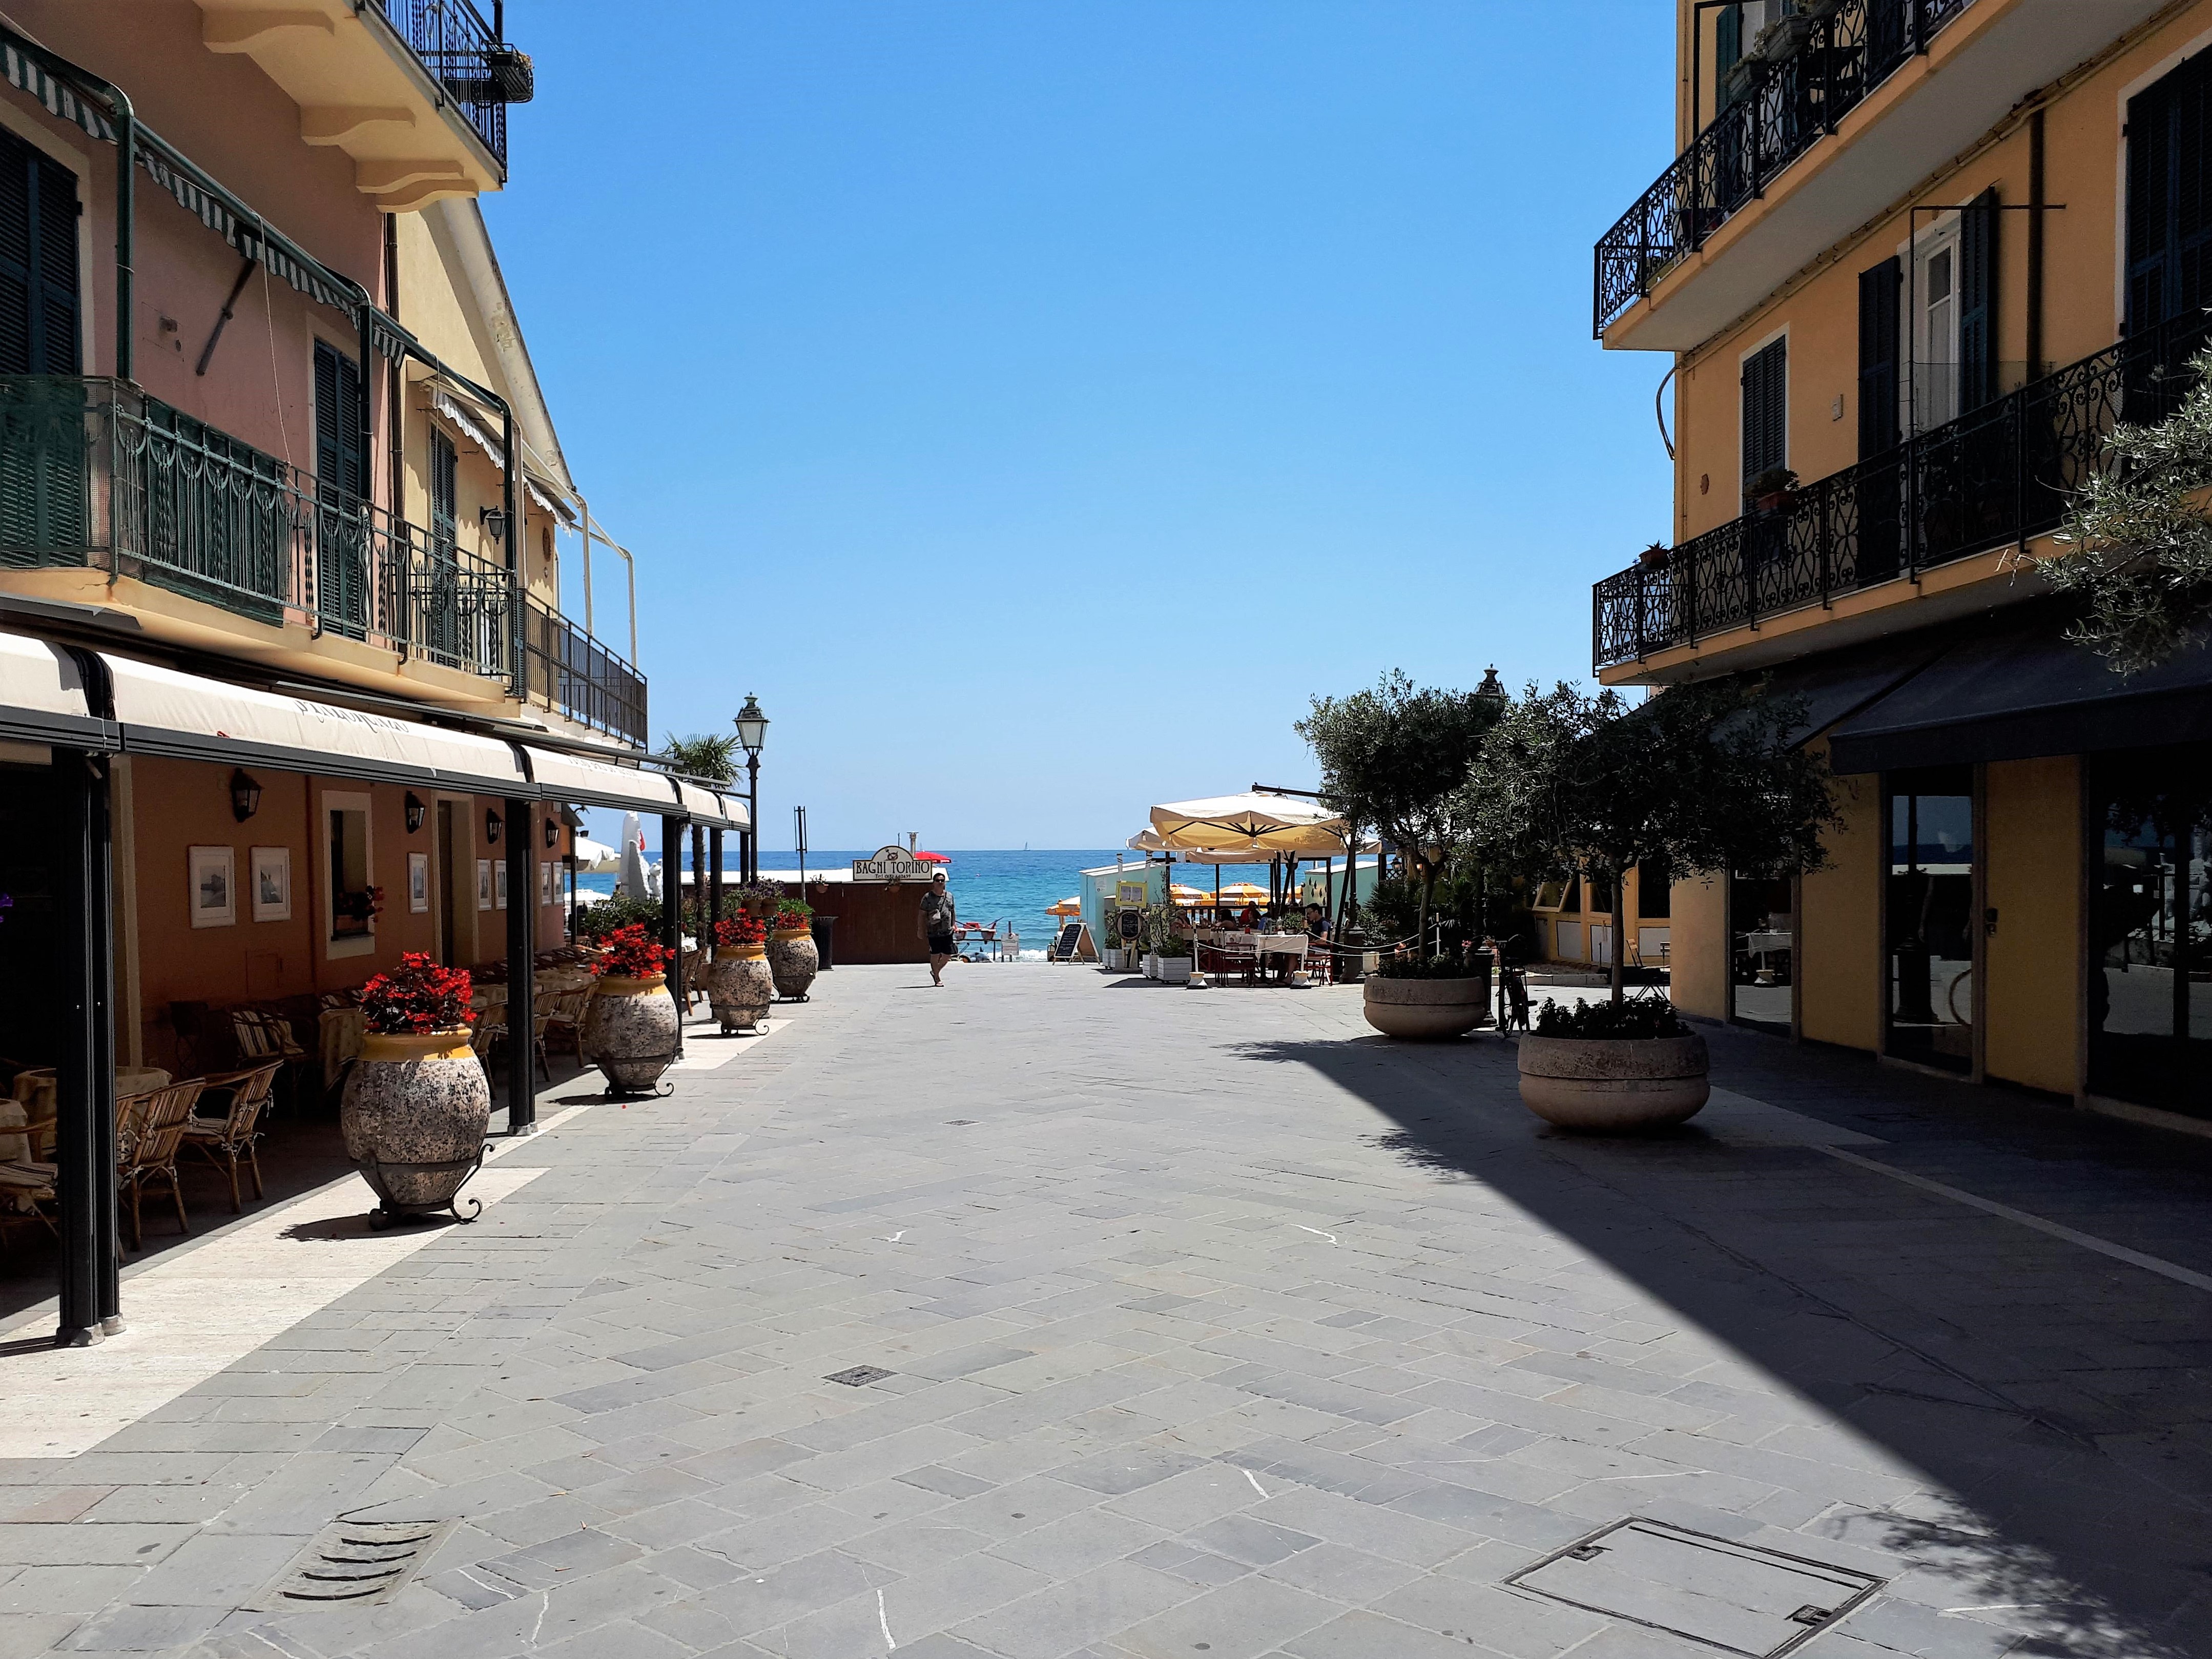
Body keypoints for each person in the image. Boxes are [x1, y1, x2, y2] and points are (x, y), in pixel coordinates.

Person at [918, 869, 958, 986]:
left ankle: (935, 971)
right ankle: (937, 978)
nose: (940, 882)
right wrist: (920, 929)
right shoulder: (928, 897)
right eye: (938, 880)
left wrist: (954, 924)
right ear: (934, 883)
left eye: (942, 880)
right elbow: (922, 914)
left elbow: (953, 911)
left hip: (948, 931)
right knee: (935, 954)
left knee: (948, 955)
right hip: (934, 931)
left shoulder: (950, 896)